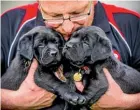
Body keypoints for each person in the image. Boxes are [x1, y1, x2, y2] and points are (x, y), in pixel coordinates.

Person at [1, 0, 140, 110]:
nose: (68, 28)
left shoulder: (130, 23)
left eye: (77, 13)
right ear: (39, 5)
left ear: (94, 1)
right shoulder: (8, 24)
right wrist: (13, 100)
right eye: (54, 16)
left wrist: (126, 103)